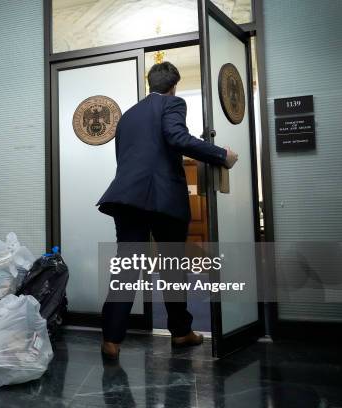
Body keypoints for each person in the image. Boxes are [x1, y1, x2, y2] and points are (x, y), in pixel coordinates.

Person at [96, 61, 239, 358]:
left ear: (150, 84)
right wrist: (221, 155)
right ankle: (181, 332)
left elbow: (129, 157)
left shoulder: (128, 116)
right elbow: (177, 137)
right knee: (173, 267)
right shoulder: (174, 103)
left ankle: (111, 339)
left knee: (127, 266)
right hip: (163, 199)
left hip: (127, 197)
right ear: (174, 86)